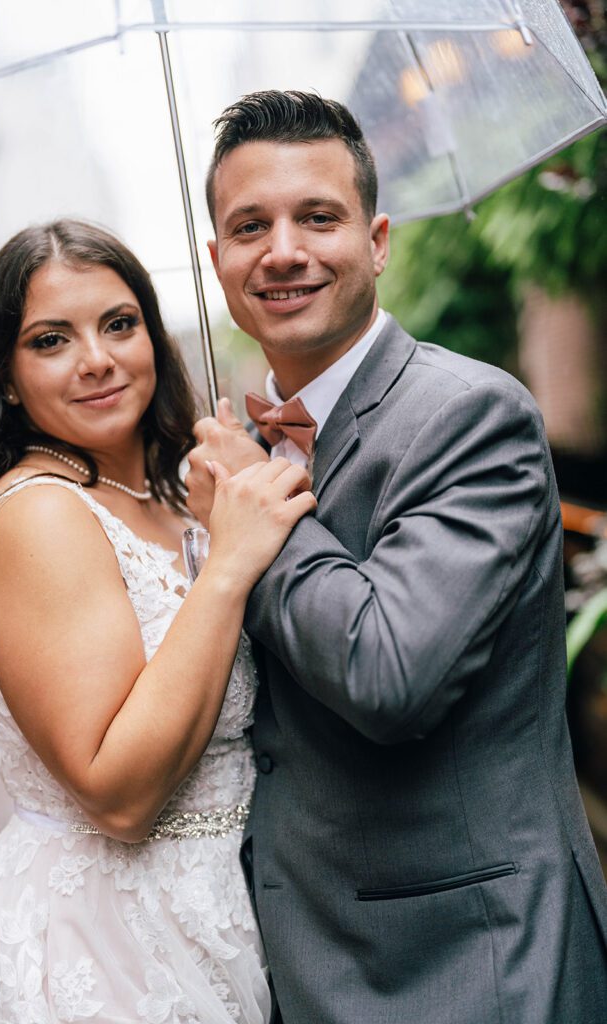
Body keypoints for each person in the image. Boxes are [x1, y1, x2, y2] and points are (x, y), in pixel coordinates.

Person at [186, 90, 607, 1023]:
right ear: (217, 262)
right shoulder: (232, 445)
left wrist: (258, 510)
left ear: (376, 241)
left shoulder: (471, 417)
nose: (284, 249)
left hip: (468, 962)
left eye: (318, 217)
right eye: (250, 225)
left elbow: (390, 672)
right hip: (297, 954)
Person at [0, 218, 316, 1023]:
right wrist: (231, 567)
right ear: (4, 376)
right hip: (107, 949)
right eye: (51, 340)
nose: (97, 359)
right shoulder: (41, 516)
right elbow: (119, 795)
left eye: (119, 324)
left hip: (228, 917)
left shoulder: (176, 494)